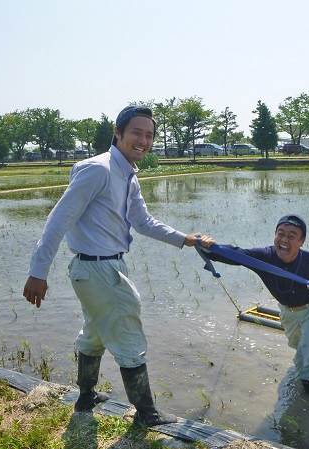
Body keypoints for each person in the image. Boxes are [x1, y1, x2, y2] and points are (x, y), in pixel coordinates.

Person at [23, 105, 213, 426]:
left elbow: (143, 222)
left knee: (95, 333)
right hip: (98, 270)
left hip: (100, 269)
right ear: (118, 132)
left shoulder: (126, 175)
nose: (143, 140)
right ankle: (147, 413)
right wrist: (38, 272)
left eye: (149, 135)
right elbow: (58, 220)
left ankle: (85, 397)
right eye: (137, 132)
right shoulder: (99, 170)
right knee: (129, 332)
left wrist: (186, 239)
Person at [206, 215, 309, 392]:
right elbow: (238, 255)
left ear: (301, 241)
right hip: (288, 312)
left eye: (291, 236)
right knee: (299, 346)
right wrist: (209, 248)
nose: (284, 240)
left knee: (304, 353)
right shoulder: (265, 257)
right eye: (280, 234)